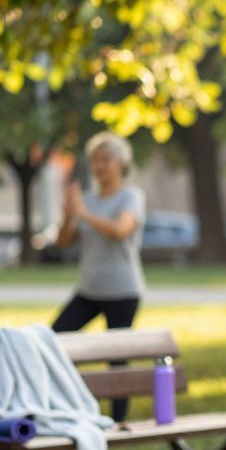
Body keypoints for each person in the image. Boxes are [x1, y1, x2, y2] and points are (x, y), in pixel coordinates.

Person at [52, 132, 146, 423]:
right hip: (89, 289)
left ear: (121, 164)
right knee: (54, 340)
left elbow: (120, 230)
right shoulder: (87, 199)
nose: (100, 166)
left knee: (117, 358)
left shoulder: (131, 196)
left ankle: (119, 422)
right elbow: (64, 241)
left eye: (106, 160)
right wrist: (70, 215)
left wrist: (84, 213)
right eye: (95, 161)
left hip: (122, 290)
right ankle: (64, 406)